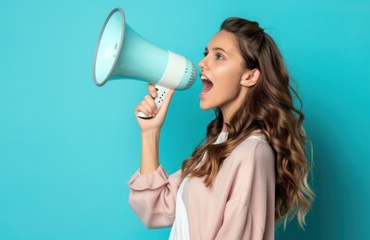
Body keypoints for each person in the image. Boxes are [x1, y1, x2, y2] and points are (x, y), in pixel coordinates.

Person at [128, 17, 315, 240]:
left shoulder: (251, 153)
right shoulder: (218, 147)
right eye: (206, 53)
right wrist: (150, 132)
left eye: (219, 56)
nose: (202, 63)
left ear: (249, 76)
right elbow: (155, 210)